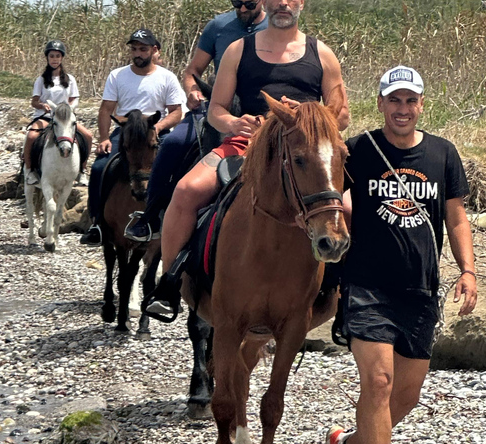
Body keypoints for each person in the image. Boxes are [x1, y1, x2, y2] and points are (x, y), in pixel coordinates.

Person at [325, 66, 477, 444]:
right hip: (367, 285)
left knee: (405, 397)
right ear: (381, 104)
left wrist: (467, 270)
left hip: (420, 289)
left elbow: (456, 218)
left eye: (411, 101)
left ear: (422, 105)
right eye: (395, 100)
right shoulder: (358, 151)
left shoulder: (443, 154)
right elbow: (328, 196)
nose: (403, 109)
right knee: (378, 382)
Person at [146, 0, 349, 314]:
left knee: (348, 206)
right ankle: (170, 283)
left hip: (305, 152)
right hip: (247, 144)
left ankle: (342, 293)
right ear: (266, 3)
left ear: (301, 3)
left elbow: (342, 115)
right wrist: (234, 123)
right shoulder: (238, 50)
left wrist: (307, 116)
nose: (283, 3)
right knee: (186, 191)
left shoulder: (322, 54)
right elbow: (216, 111)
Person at [125, 0, 268, 242]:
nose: (243, 9)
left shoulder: (275, 27)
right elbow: (193, 71)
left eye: (249, 3)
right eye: (237, 3)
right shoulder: (218, 26)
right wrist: (192, 91)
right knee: (172, 144)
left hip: (260, 111)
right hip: (217, 105)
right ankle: (150, 218)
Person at [79, 28, 186, 246]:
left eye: (143, 49)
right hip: (126, 131)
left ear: (154, 50)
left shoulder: (167, 77)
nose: (138, 53)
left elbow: (176, 111)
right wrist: (104, 138)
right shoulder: (117, 75)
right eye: (134, 49)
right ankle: (97, 223)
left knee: (181, 168)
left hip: (155, 131)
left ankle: (177, 222)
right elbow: (106, 109)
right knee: (100, 167)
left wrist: (158, 127)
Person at [22, 40, 92, 186]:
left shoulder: (70, 79)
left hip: (64, 118)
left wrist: (70, 109)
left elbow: (74, 99)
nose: (54, 59)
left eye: (57, 56)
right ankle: (29, 171)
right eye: (52, 56)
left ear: (62, 58)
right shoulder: (41, 80)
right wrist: (42, 106)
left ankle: (82, 170)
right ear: (47, 58)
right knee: (31, 136)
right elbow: (34, 101)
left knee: (88, 136)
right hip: (46, 117)